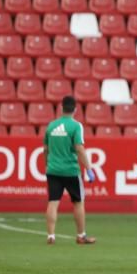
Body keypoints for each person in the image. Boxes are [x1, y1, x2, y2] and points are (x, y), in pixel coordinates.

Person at [42, 96, 96, 245]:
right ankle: (81, 235)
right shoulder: (76, 126)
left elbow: (45, 149)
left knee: (53, 201)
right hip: (71, 170)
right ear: (75, 109)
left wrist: (47, 165)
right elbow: (79, 148)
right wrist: (89, 169)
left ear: (61, 108)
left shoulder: (51, 126)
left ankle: (51, 235)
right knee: (78, 202)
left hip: (53, 169)